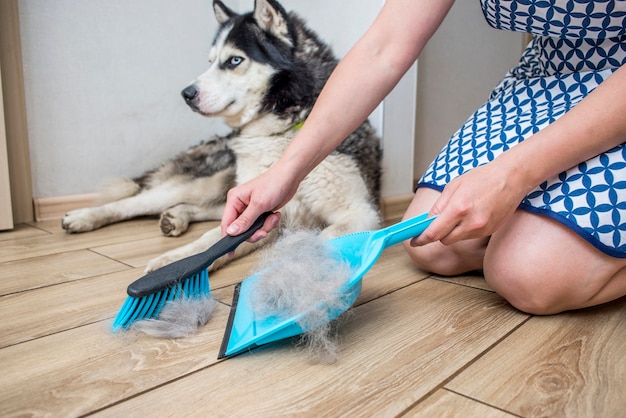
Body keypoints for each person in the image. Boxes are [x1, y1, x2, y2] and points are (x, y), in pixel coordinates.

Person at [221, 0, 626, 315]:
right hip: (548, 76)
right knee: (434, 245)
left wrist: (513, 174)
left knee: (531, 275)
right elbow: (383, 49)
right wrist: (286, 171)